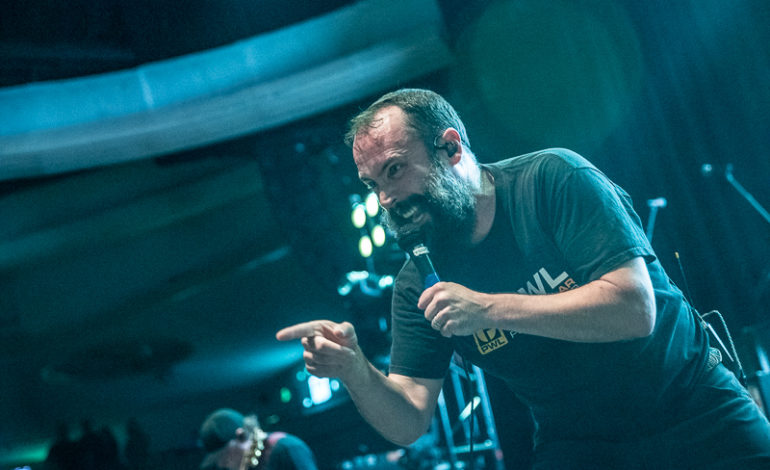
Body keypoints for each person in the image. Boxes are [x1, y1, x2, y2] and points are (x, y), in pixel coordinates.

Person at [276, 88, 770, 469]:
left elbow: (634, 309)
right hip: (582, 445)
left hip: (694, 407)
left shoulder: (552, 180)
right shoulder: (415, 283)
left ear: (450, 148)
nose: (385, 199)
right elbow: (408, 419)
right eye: (373, 184)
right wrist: (356, 371)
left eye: (395, 170)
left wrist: (487, 308)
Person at [198, 408, 318, 470]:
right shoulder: (249, 464)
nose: (224, 465)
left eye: (225, 457)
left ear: (241, 436)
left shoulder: (287, 448)